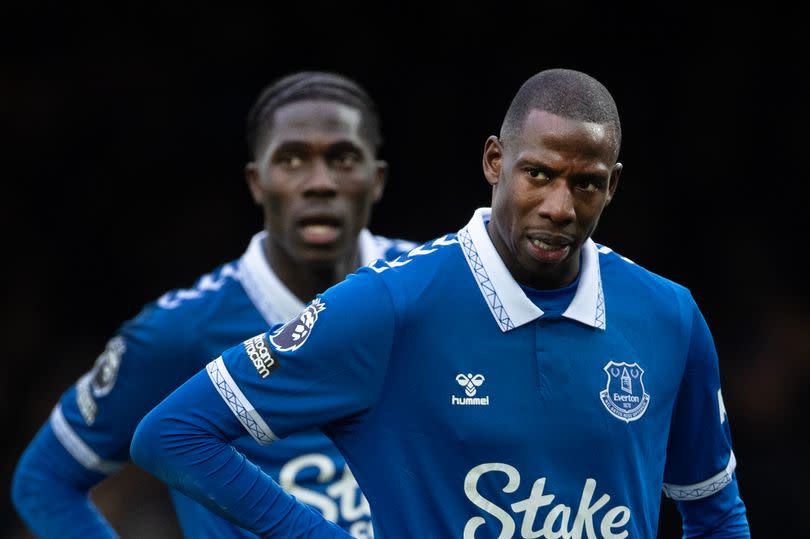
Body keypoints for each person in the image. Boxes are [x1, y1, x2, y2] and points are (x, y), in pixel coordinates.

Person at [131, 68, 751, 538]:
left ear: (612, 185)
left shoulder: (668, 316)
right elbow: (174, 434)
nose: (560, 206)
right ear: (495, 161)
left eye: (585, 183)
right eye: (538, 173)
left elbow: (716, 515)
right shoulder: (391, 303)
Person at [11, 70, 417, 538]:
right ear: (256, 182)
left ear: (378, 179)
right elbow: (45, 481)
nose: (320, 183)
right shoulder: (178, 332)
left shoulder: (430, 291)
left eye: (343, 158)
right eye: (291, 160)